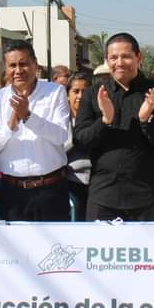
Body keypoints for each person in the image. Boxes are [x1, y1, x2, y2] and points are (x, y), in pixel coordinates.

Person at [74, 33, 154, 221]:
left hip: (146, 199)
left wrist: (146, 120)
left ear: (139, 58)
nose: (120, 63)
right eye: (114, 57)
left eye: (126, 56)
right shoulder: (93, 94)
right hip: (103, 197)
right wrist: (105, 120)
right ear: (106, 60)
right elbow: (81, 141)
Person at [0, 42, 72, 221]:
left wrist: (28, 117)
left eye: (23, 64)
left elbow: (61, 136)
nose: (18, 70)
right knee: (16, 248)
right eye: (12, 65)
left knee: (55, 248)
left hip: (51, 189)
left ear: (35, 64)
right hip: (12, 193)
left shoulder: (55, 92)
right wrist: (11, 124)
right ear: (5, 68)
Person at [65, 72, 93, 220]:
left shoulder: (98, 118)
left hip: (96, 182)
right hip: (70, 182)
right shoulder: (61, 120)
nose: (80, 96)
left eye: (85, 92)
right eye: (76, 91)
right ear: (68, 95)